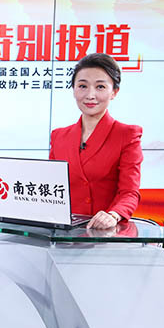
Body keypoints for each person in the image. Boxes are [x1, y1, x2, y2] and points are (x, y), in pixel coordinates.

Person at [49, 53, 143, 229]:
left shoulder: (127, 135)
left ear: (114, 92)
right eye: (82, 86)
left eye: (100, 87)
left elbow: (129, 192)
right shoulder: (58, 136)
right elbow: (51, 189)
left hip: (105, 233)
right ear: (74, 90)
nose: (90, 95)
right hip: (64, 233)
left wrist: (113, 215)